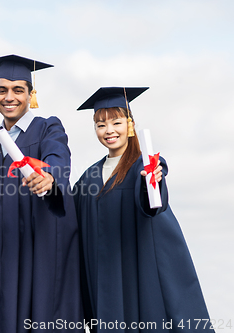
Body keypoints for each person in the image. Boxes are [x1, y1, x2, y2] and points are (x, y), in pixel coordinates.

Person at [74, 87, 214, 333]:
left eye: (116, 122)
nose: (108, 131)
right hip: (105, 277)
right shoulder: (88, 177)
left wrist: (154, 180)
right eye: (100, 125)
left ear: (130, 124)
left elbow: (152, 203)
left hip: (139, 270)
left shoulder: (144, 164)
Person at [0, 55, 84, 332]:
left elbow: (58, 157)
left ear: (31, 95)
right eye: (2, 90)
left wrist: (49, 178)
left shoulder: (47, 127)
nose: (9, 97)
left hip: (35, 252)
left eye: (18, 90)